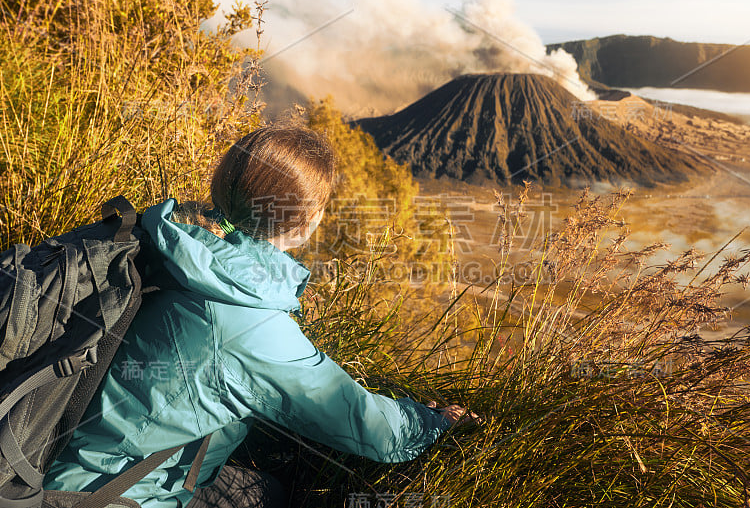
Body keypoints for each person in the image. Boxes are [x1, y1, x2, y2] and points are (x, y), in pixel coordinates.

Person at [43, 126, 477, 508]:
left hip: (54, 453)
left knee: (264, 489)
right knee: (269, 496)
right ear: (306, 223)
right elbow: (372, 429)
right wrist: (434, 421)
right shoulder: (251, 326)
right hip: (106, 495)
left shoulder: (163, 239)